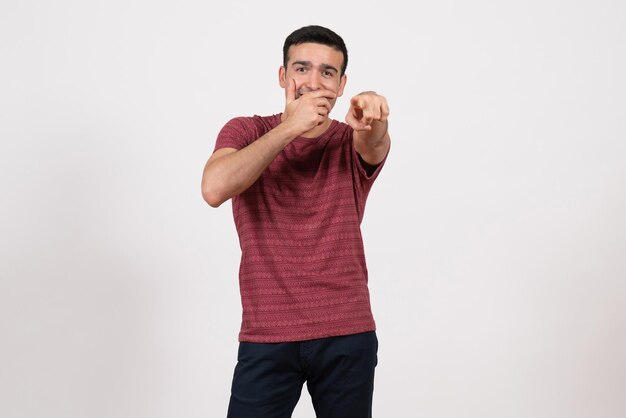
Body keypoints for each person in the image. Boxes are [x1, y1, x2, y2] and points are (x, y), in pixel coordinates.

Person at [201, 25, 391, 418]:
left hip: (346, 331)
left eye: (327, 72)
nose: (312, 81)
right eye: (302, 69)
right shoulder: (247, 130)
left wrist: (375, 114)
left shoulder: (347, 139)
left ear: (341, 85)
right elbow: (214, 189)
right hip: (268, 332)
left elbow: (374, 142)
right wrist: (290, 128)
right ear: (283, 76)